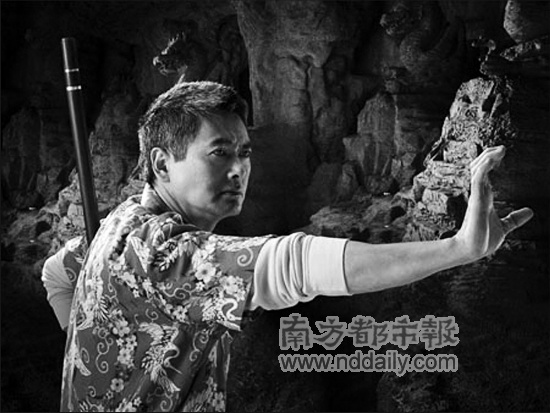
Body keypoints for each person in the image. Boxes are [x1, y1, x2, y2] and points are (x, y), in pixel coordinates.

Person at [42, 81, 533, 412]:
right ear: (161, 163)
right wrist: (458, 249)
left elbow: (56, 272)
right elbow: (294, 265)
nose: (239, 169)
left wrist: (95, 348)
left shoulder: (121, 222)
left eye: (244, 152)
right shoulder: (158, 252)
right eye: (219, 153)